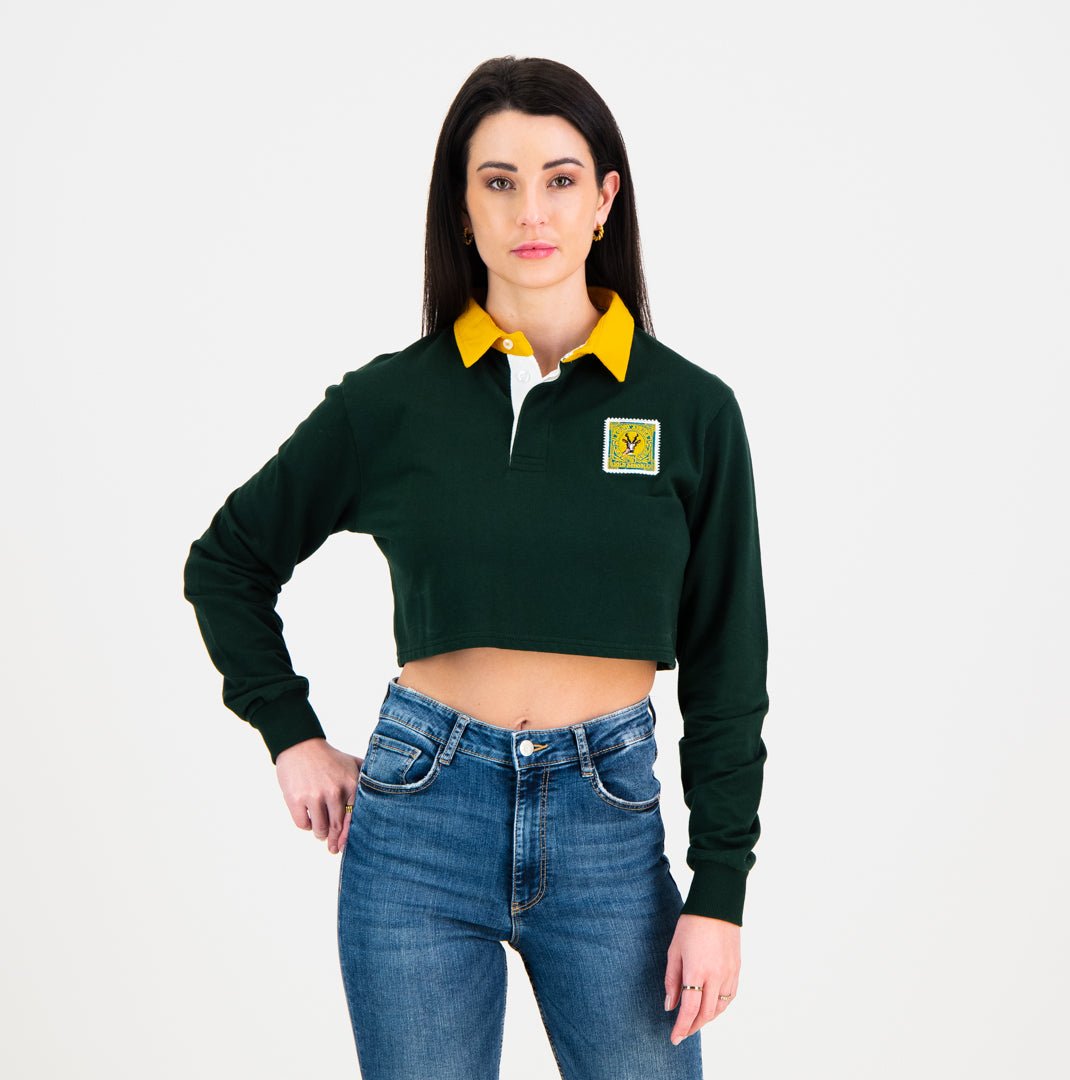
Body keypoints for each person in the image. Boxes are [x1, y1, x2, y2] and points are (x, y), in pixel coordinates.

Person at [183, 54, 769, 1080]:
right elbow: (226, 561)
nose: (529, 210)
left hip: (608, 828)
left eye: (560, 178)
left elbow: (728, 663)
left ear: (605, 201)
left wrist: (719, 891)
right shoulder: (393, 403)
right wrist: (290, 734)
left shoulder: (690, 410)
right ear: (461, 207)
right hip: (419, 819)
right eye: (498, 181)